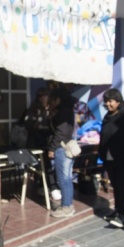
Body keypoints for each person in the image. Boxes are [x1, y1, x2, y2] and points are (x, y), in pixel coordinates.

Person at [98, 88, 124, 228]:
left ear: (118, 101)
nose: (108, 104)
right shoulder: (107, 116)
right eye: (106, 101)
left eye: (110, 101)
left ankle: (122, 216)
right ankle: (117, 211)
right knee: (116, 186)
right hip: (109, 158)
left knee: (122, 187)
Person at [48, 86, 77, 218]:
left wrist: (52, 148)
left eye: (54, 99)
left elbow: (60, 132)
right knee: (67, 179)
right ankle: (68, 205)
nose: (52, 102)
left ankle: (66, 207)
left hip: (61, 148)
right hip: (67, 146)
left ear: (59, 99)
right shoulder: (69, 110)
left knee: (63, 179)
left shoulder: (63, 112)